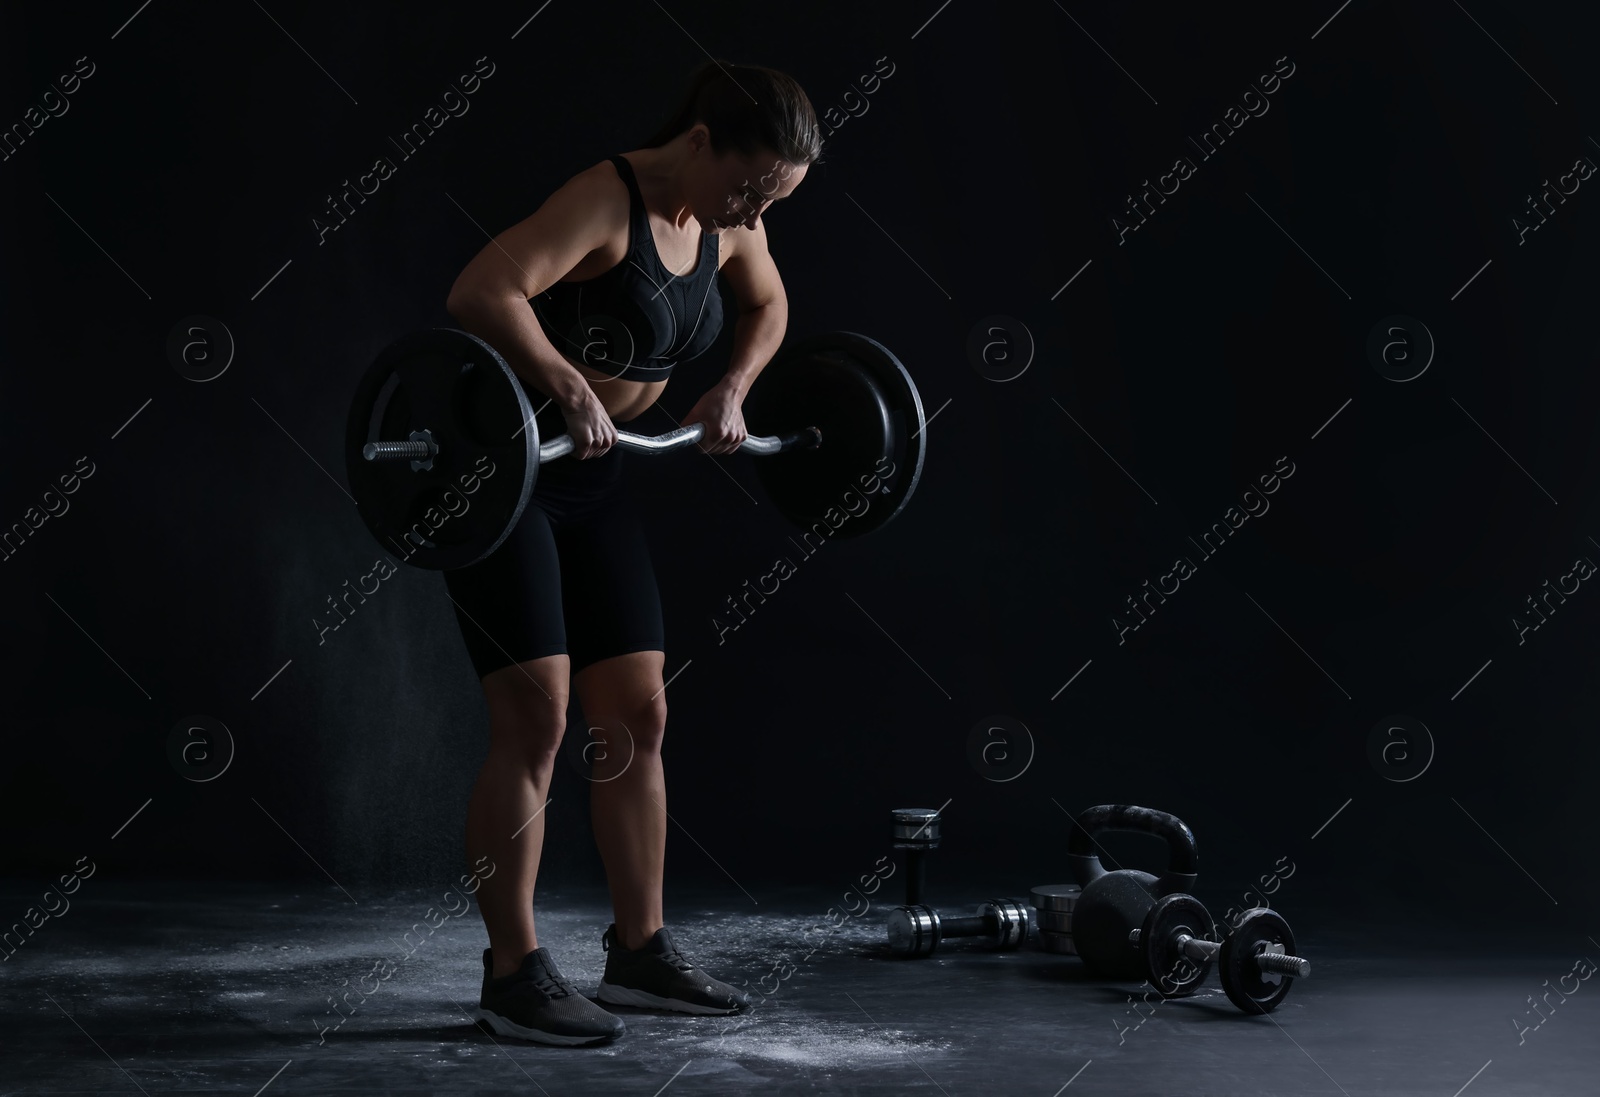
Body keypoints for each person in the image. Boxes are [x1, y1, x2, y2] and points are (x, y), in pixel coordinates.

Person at [440, 59, 820, 1046]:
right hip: (503, 472)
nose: (750, 210)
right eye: (747, 186)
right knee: (538, 720)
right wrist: (565, 383)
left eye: (770, 197)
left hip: (594, 480)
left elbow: (767, 304)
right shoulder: (604, 202)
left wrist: (733, 386)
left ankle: (639, 953)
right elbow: (482, 288)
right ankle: (511, 972)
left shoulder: (730, 216)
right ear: (702, 140)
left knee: (639, 714)